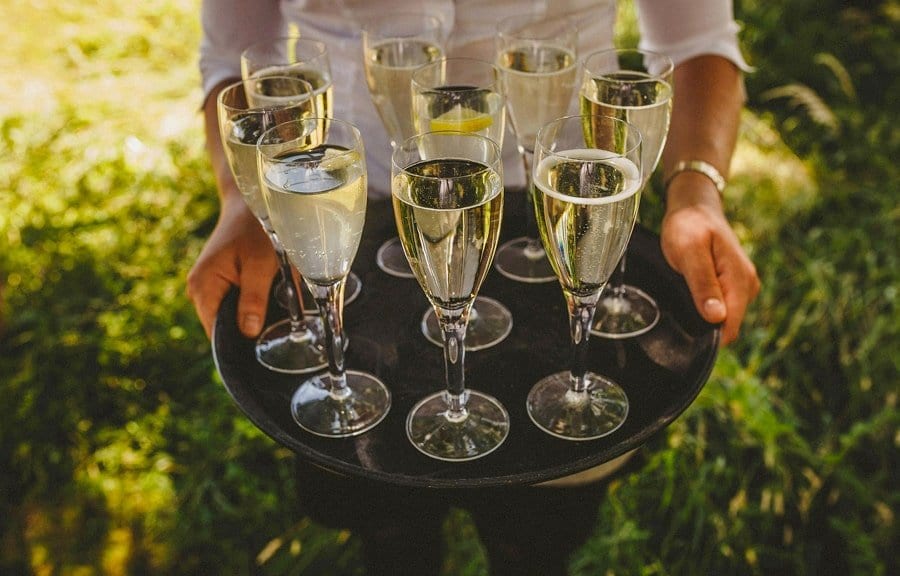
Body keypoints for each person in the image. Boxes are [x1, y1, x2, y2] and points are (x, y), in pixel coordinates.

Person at [187, 1, 761, 574]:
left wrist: (697, 193)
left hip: (561, 214)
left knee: (542, 529)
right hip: (349, 218)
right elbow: (234, 55)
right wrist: (243, 199)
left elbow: (697, 43)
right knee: (380, 514)